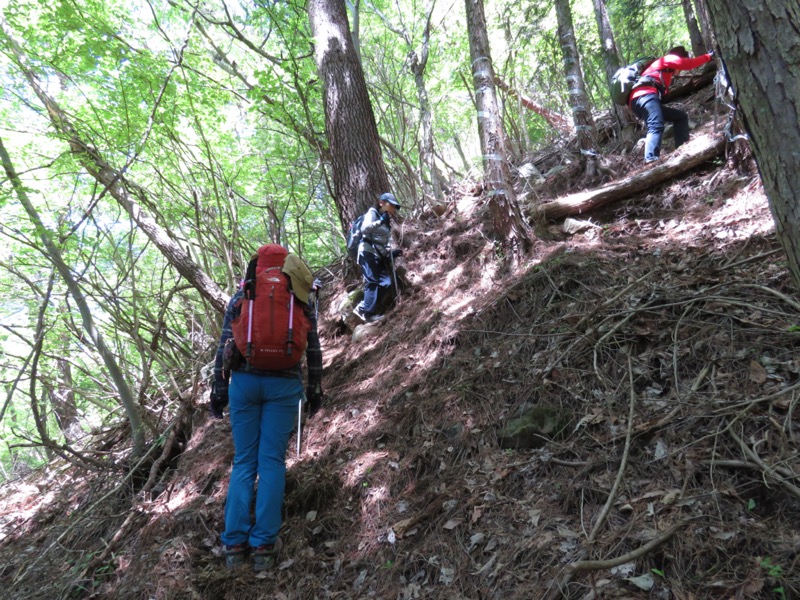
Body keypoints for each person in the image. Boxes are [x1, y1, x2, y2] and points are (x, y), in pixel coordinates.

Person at [209, 247, 323, 571]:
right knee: (271, 461)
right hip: (285, 387)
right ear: (287, 267)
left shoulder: (241, 297)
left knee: (245, 461)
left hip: (244, 385)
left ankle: (233, 544)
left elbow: (223, 349)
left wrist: (218, 392)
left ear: (256, 267)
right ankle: (263, 547)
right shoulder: (299, 298)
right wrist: (315, 390)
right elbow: (313, 350)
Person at [629, 46, 714, 163]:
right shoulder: (668, 59)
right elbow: (689, 64)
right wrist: (709, 57)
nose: (679, 70)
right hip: (645, 95)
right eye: (680, 66)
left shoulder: (662, 71)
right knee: (656, 126)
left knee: (680, 117)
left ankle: (681, 149)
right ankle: (650, 160)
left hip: (638, 100)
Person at [353, 192, 402, 323]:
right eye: (391, 205)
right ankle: (367, 313)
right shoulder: (372, 213)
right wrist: (380, 221)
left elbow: (381, 242)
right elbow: (365, 229)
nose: (393, 209)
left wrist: (391, 253)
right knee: (372, 282)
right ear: (382, 203)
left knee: (386, 283)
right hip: (367, 253)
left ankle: (363, 307)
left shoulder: (385, 220)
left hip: (378, 256)